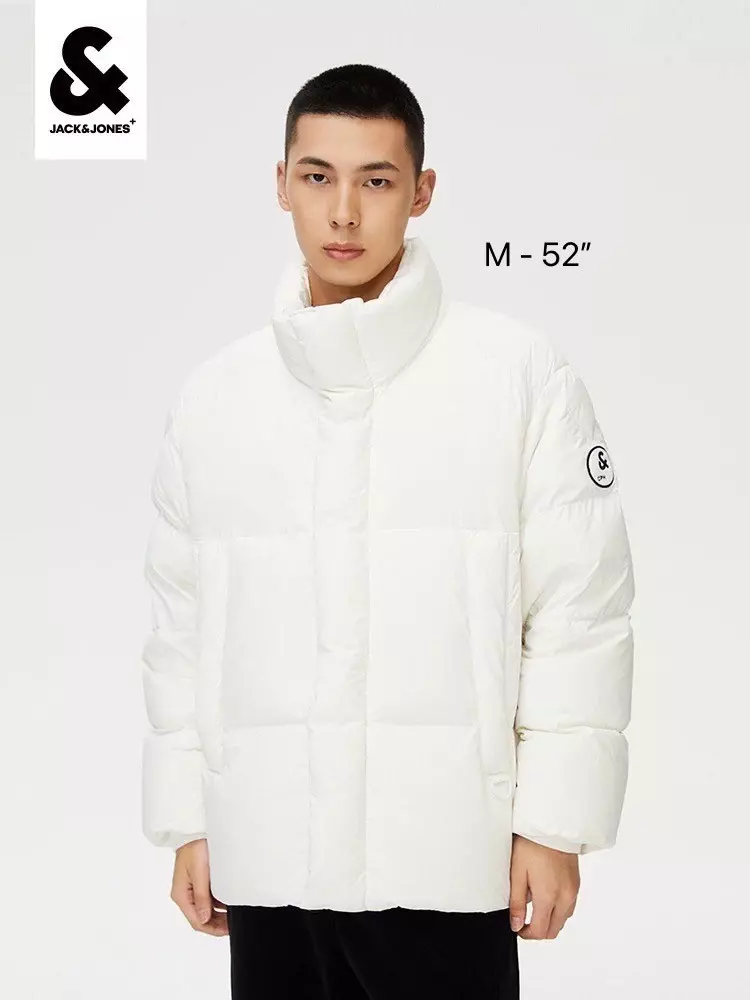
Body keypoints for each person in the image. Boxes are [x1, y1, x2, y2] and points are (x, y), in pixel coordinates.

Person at [139, 63, 635, 999]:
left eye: (376, 180)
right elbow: (182, 630)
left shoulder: (517, 375)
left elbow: (581, 611)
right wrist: (189, 821)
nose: (343, 213)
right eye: (317, 176)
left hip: (448, 861)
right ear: (280, 184)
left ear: (422, 191)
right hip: (270, 858)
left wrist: (554, 824)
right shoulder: (216, 399)